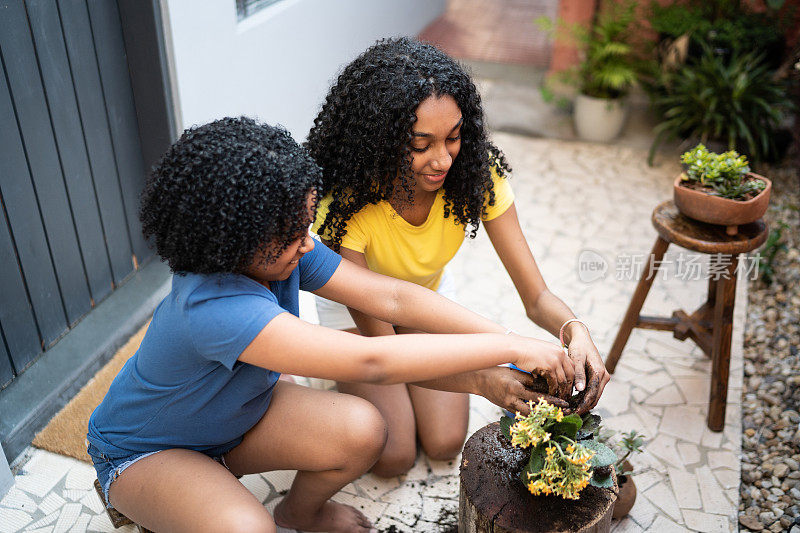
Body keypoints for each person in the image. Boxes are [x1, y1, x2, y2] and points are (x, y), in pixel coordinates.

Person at [86, 117, 576, 533]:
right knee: (248, 529)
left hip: (237, 419)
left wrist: (507, 345)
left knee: (363, 429)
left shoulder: (282, 244)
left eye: (305, 228)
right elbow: (373, 360)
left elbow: (391, 295)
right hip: (149, 450)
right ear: (233, 244)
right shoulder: (213, 308)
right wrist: (505, 349)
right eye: (292, 235)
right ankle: (141, 495)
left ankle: (303, 513)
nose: (307, 244)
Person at [307, 37, 610, 478]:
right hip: (363, 320)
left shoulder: (475, 175)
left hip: (425, 298)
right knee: (392, 458)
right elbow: (387, 347)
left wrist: (574, 330)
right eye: (420, 144)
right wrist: (481, 377)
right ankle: (326, 365)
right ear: (379, 139)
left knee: (446, 442)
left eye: (453, 137)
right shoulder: (344, 208)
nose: (442, 159)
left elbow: (537, 295)